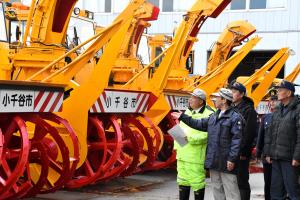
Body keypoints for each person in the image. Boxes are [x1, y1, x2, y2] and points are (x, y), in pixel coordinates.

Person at [172, 88, 244, 200]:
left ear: (224, 100)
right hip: (213, 160)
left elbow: (237, 140)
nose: (214, 100)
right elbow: (198, 124)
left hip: (225, 160)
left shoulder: (234, 117)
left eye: (217, 98)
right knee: (217, 190)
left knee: (231, 191)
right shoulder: (214, 116)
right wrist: (182, 117)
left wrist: (232, 159)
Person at [175, 88, 214, 200]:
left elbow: (208, 135)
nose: (190, 100)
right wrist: (177, 143)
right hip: (182, 155)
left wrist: (189, 139)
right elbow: (180, 130)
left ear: (201, 101)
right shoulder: (187, 112)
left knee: (197, 183)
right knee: (182, 182)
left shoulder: (209, 114)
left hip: (195, 157)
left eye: (193, 98)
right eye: (190, 97)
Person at [264, 80, 300, 200]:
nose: (277, 92)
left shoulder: (298, 110)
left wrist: (297, 157)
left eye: (280, 90)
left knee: (293, 192)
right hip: (276, 158)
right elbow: (270, 133)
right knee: (276, 192)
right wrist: (268, 152)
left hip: (290, 159)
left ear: (288, 93)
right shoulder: (278, 110)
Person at [230, 82, 258, 200]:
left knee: (241, 181)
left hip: (241, 152)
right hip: (231, 150)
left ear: (241, 94)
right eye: (231, 91)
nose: (232, 94)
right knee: (231, 181)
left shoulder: (249, 110)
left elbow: (249, 133)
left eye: (234, 91)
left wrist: (244, 152)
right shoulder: (232, 108)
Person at [256, 89, 280, 200]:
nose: (273, 102)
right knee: (268, 183)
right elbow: (261, 137)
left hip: (279, 156)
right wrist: (259, 153)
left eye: (275, 100)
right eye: (271, 100)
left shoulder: (283, 116)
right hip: (267, 157)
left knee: (278, 184)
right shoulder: (266, 117)